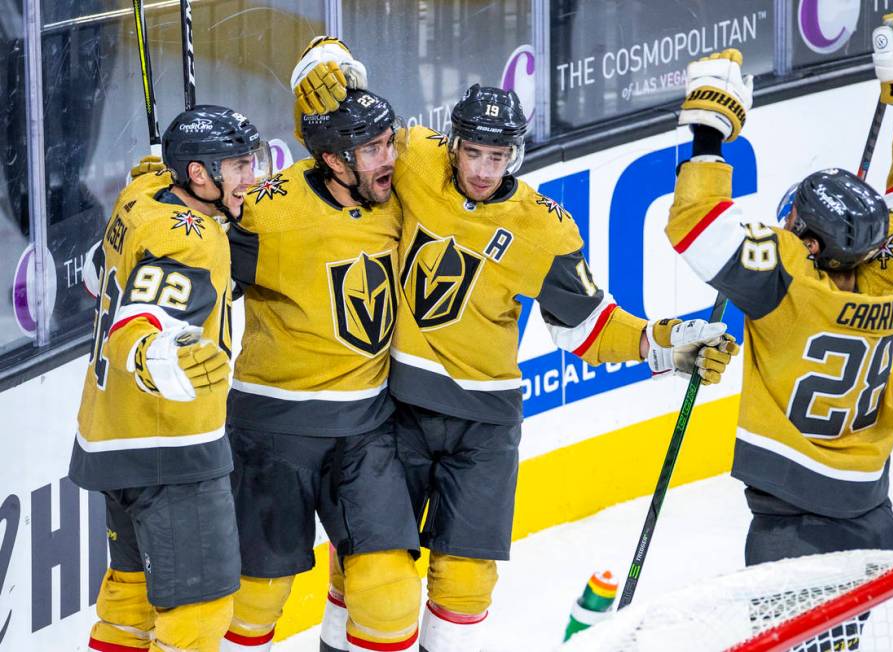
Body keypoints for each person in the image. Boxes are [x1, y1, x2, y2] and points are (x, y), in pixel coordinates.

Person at [294, 51, 741, 649]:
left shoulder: (543, 229)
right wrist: (325, 66)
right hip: (397, 410)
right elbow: (346, 139)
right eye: (473, 153)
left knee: (465, 583)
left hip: (485, 428)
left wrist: (663, 344)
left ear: (516, 156)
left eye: (497, 157)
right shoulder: (414, 161)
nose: (483, 169)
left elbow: (587, 326)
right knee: (373, 574)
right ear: (453, 145)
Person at [665, 18, 893, 575]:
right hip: (873, 511)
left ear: (812, 244)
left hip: (793, 526)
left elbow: (697, 223)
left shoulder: (789, 284)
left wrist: (710, 126)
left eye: (795, 221)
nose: (787, 223)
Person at [219, 89, 422, 652]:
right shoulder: (267, 211)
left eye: (389, 142)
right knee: (252, 600)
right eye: (373, 149)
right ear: (333, 160)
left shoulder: (402, 197)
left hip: (365, 429)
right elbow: (185, 269)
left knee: (390, 595)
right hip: (271, 433)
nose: (389, 159)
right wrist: (168, 199)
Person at [70, 105, 271, 652]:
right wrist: (158, 356)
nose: (251, 178)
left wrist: (163, 167)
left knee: (131, 603)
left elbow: (97, 277)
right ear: (200, 175)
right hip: (171, 443)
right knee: (198, 614)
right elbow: (143, 322)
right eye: (239, 166)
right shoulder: (194, 240)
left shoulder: (139, 197)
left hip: (112, 433)